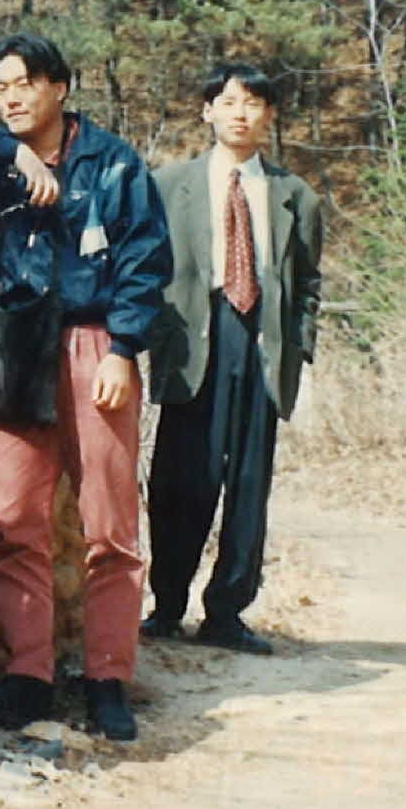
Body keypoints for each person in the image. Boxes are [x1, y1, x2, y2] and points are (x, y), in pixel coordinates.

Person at [0, 34, 171, 742]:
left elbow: (146, 259)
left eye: (25, 82)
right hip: (14, 346)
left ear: (60, 86)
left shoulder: (114, 164)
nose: (12, 97)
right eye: (0, 86)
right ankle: (29, 675)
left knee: (110, 523)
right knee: (14, 520)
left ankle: (107, 677)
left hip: (94, 342)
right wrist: (10, 153)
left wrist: (124, 348)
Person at [142, 62, 322, 656]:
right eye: (228, 101)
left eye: (253, 102)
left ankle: (227, 612)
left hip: (261, 341)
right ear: (207, 111)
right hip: (192, 339)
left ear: (268, 115)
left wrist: (300, 348)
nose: (239, 112)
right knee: (179, 481)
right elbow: (143, 265)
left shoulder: (293, 195)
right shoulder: (168, 185)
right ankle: (166, 605)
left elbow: (308, 282)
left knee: (248, 483)